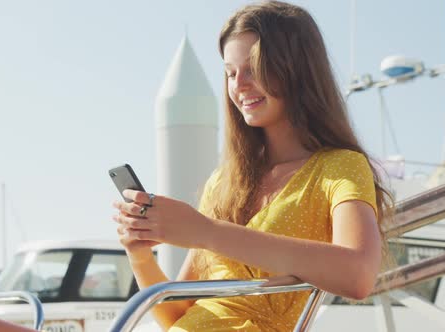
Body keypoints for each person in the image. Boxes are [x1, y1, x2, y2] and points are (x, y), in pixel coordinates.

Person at [112, 1, 393, 331]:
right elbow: (177, 315)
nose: (239, 84)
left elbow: (358, 274)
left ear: (297, 69)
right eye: (230, 73)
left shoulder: (339, 167)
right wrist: (140, 255)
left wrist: (205, 232)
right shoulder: (224, 183)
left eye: (254, 67)